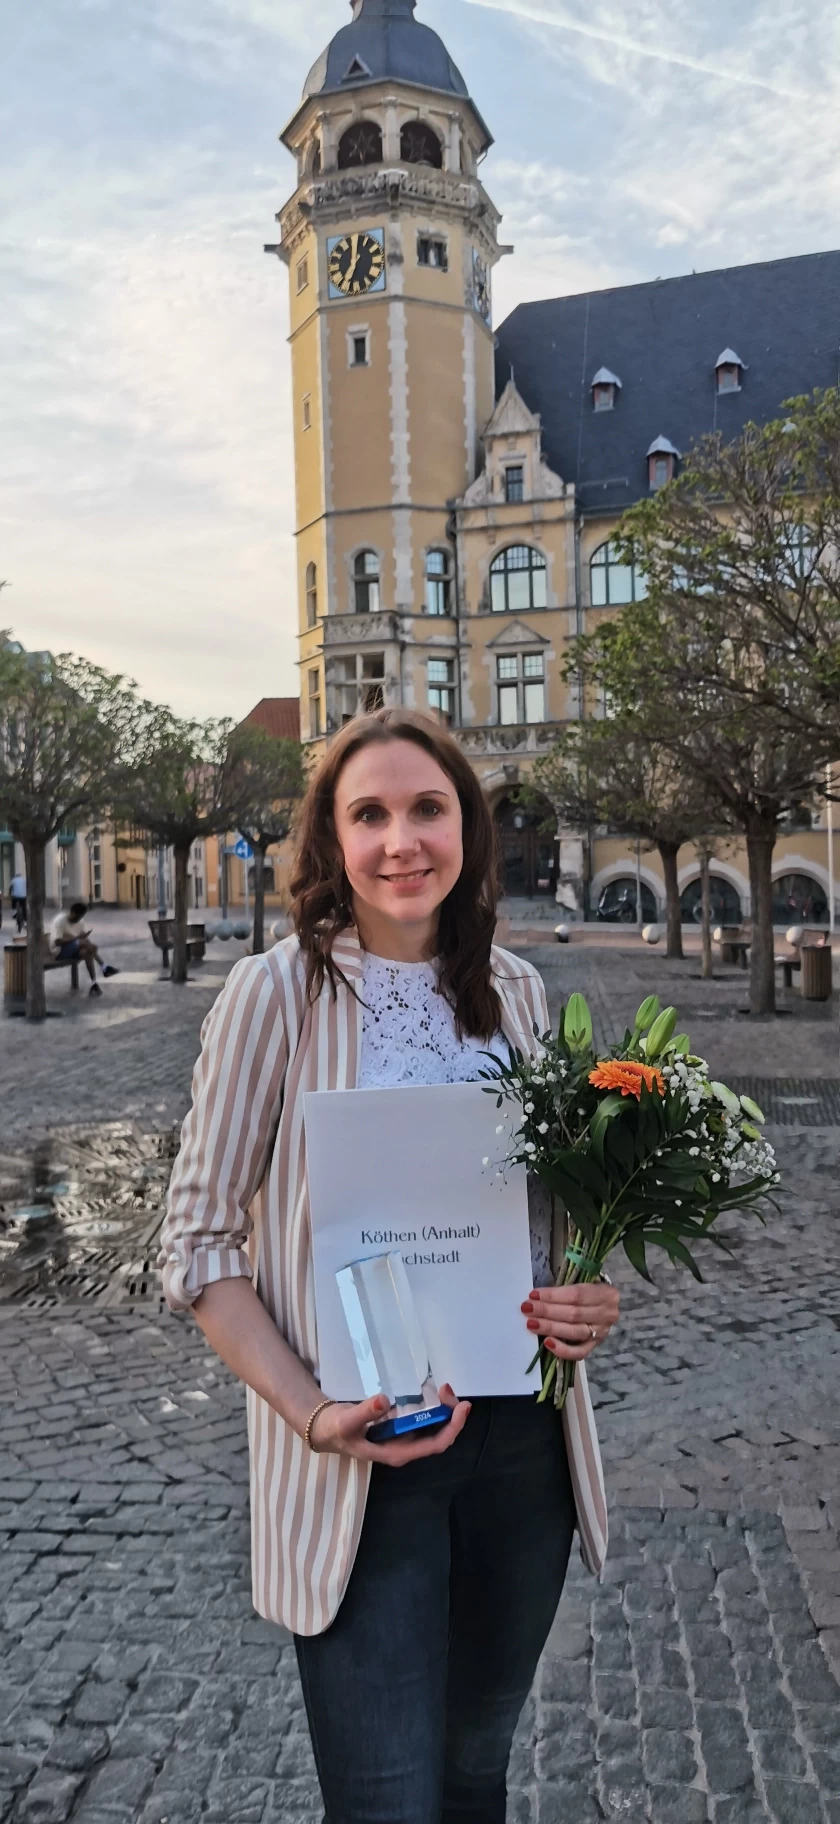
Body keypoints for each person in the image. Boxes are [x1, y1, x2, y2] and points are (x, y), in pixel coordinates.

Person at [160, 710, 621, 1824]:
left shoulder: (515, 990)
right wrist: (314, 1413)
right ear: (331, 837)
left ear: (469, 826)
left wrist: (586, 1292)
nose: (401, 841)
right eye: (369, 814)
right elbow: (199, 1241)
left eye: (428, 808)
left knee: (475, 1778)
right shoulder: (277, 993)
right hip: (368, 1457)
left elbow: (541, 1208)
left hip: (522, 1455)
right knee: (384, 1804)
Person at [49, 902, 120, 996]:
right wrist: (76, 938)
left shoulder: (80, 921)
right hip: (59, 951)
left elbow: (82, 939)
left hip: (74, 948)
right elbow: (57, 942)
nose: (77, 920)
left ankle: (94, 984)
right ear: (72, 912)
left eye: (79, 918)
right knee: (86, 944)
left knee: (87, 952)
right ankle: (104, 967)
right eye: (76, 917)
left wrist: (80, 938)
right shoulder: (59, 921)